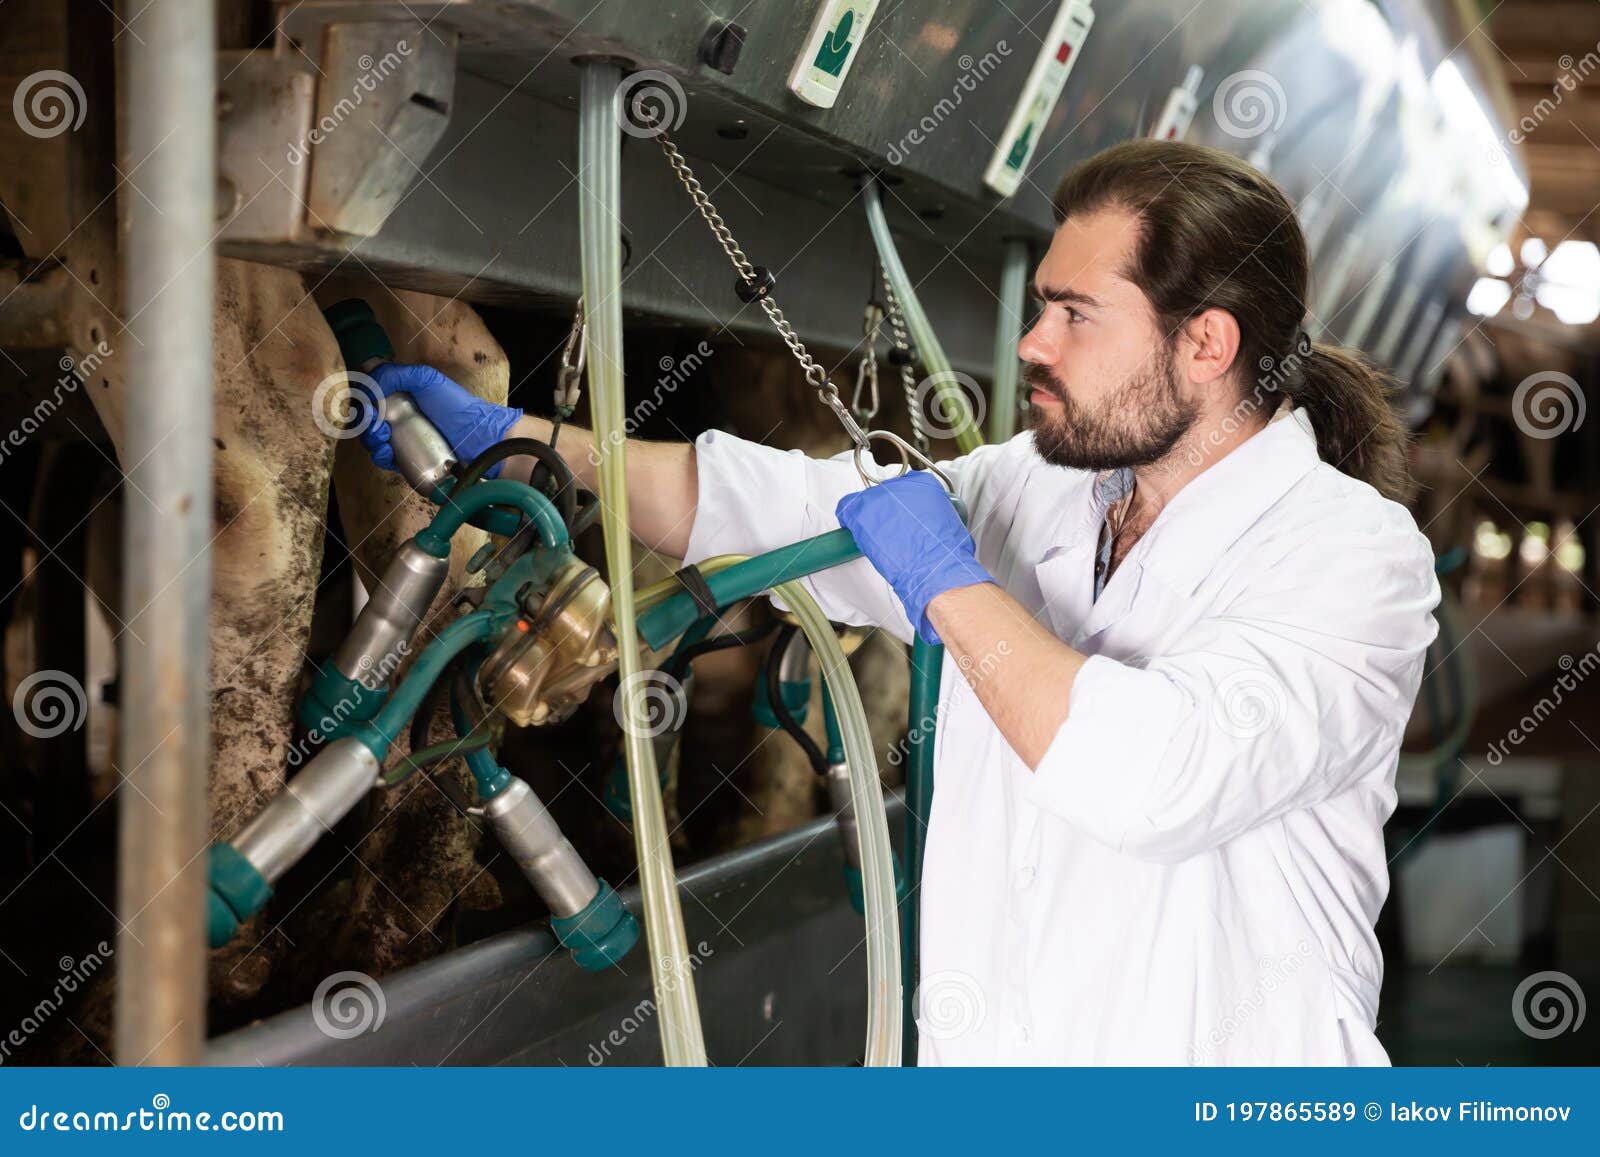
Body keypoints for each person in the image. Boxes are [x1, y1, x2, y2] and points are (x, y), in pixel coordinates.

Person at [356, 140, 1439, 1065]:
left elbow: (1154, 779)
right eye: (1042, 305)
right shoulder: (1039, 485)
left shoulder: (1351, 555)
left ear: (1206, 343)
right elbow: (779, 508)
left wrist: (949, 583)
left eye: (1075, 314)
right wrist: (524, 443)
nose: (1033, 342)